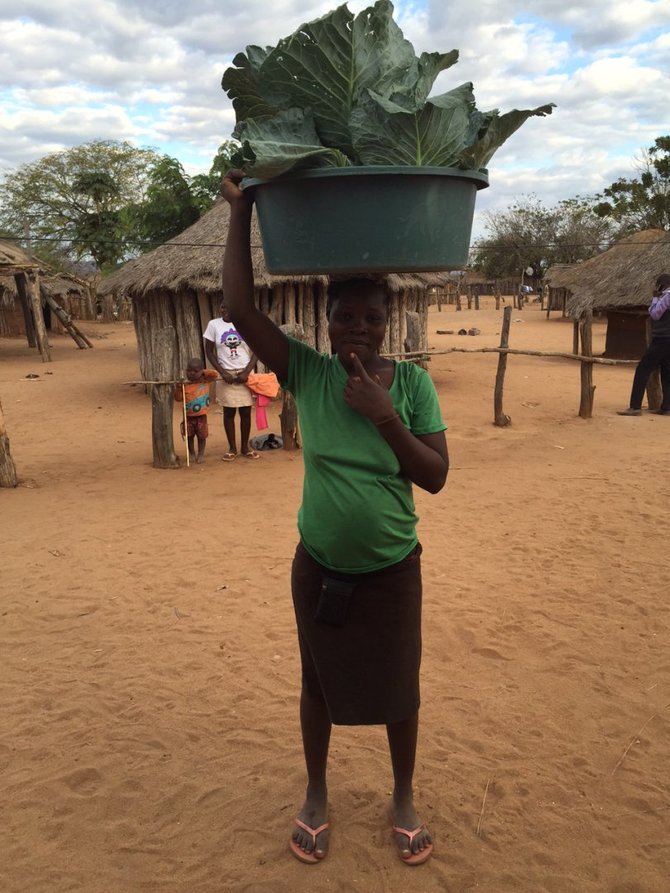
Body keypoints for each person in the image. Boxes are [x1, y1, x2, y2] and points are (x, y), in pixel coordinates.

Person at [221, 170, 449, 867]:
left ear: (391, 322)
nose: (357, 327)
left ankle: (402, 795)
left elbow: (434, 476)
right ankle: (317, 791)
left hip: (391, 568)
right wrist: (242, 210)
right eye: (345, 316)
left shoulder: (410, 384)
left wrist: (386, 419)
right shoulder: (310, 373)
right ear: (327, 320)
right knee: (316, 680)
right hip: (319, 564)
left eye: (371, 317)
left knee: (399, 687)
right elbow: (237, 303)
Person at [203, 299, 261, 459]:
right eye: (222, 306)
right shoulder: (214, 325)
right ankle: (232, 449)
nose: (225, 310)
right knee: (228, 412)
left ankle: (245, 448)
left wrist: (247, 372)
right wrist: (222, 373)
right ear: (219, 308)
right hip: (226, 374)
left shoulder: (246, 324)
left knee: (245, 411)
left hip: (245, 374)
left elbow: (257, 348)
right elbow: (209, 351)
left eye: (229, 307)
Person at [617, 273, 670, 416]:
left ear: (662, 285)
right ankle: (667, 407)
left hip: (662, 339)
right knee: (667, 372)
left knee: (642, 369)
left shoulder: (667, 296)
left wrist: (654, 298)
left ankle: (635, 407)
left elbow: (655, 314)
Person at [174, 358, 219, 464]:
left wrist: (202, 373)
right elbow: (178, 398)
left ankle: (201, 454)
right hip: (188, 416)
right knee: (189, 435)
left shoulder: (205, 380)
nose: (192, 373)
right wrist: (179, 388)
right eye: (189, 371)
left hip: (201, 415)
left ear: (201, 371)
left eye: (195, 371)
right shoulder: (185, 384)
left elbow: (215, 374)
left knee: (202, 436)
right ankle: (191, 453)